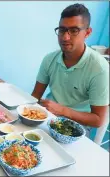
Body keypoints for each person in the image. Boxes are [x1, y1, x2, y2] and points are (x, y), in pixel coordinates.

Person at [32, 3, 109, 136]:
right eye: (62, 30)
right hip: (48, 117)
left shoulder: (99, 68)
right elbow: (34, 96)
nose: (65, 37)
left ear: (88, 32)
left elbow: (98, 120)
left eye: (74, 31)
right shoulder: (49, 59)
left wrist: (63, 111)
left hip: (78, 127)